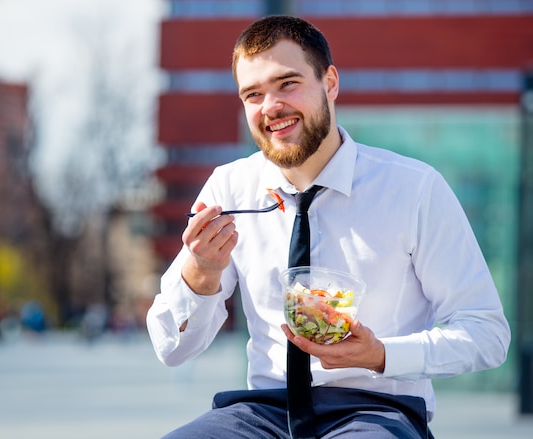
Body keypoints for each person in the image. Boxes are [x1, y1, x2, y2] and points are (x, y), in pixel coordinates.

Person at [146, 15, 510, 439]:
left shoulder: (414, 189)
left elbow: (487, 334)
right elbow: (172, 350)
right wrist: (200, 275)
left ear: (330, 83)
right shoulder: (229, 188)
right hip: (263, 412)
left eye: (287, 83)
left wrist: (380, 355)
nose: (271, 107)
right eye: (253, 94)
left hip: (377, 410)